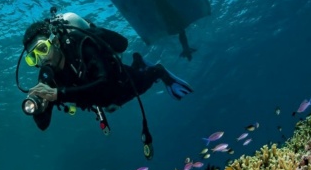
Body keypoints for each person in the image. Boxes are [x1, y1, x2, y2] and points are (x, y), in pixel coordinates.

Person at [19, 12, 194, 131]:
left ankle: (158, 70)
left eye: (42, 49)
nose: (40, 59)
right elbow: (43, 125)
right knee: (113, 99)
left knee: (141, 83)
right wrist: (39, 108)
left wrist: (58, 94)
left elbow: (106, 83)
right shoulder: (48, 74)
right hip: (101, 101)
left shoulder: (82, 45)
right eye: (32, 57)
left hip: (120, 85)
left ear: (55, 41)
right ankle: (138, 61)